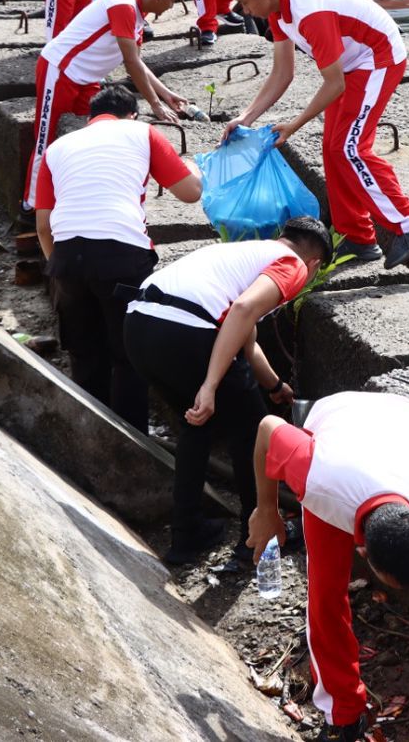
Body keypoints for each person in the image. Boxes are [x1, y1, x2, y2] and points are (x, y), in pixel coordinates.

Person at [248, 393, 409, 742]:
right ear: (363, 553)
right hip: (337, 429)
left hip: (406, 426)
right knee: (325, 592)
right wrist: (267, 511)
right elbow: (268, 427)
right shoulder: (317, 477)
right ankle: (342, 713)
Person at [123, 216, 331, 565]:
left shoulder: (245, 254)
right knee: (254, 434)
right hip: (186, 330)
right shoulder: (293, 264)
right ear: (314, 263)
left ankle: (186, 536)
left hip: (139, 326)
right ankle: (258, 542)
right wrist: (211, 384)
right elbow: (244, 309)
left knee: (196, 424)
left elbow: (243, 333)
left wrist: (275, 386)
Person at [224, 0, 409, 269]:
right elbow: (283, 73)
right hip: (352, 65)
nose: (244, 11)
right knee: (332, 148)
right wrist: (246, 117)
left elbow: (334, 83)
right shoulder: (279, 12)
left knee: (350, 147)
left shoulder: (310, 13)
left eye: (244, 2)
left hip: (378, 57)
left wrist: (294, 125)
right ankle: (358, 238)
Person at [33, 84, 202, 429]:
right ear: (132, 114)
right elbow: (190, 193)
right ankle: (131, 445)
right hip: (122, 254)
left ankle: (89, 436)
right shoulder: (142, 132)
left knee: (84, 354)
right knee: (127, 358)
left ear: (90, 118)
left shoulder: (57, 148)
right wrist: (191, 165)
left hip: (66, 258)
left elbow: (42, 227)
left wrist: (60, 271)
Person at [22, 0, 192, 212]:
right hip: (60, 70)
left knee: (91, 134)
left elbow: (138, 61)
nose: (171, 7)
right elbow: (130, 63)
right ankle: (31, 205)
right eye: (173, 1)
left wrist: (166, 94)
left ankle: (72, 194)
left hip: (88, 79)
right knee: (45, 137)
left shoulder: (138, 16)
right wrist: (155, 105)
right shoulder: (123, 6)